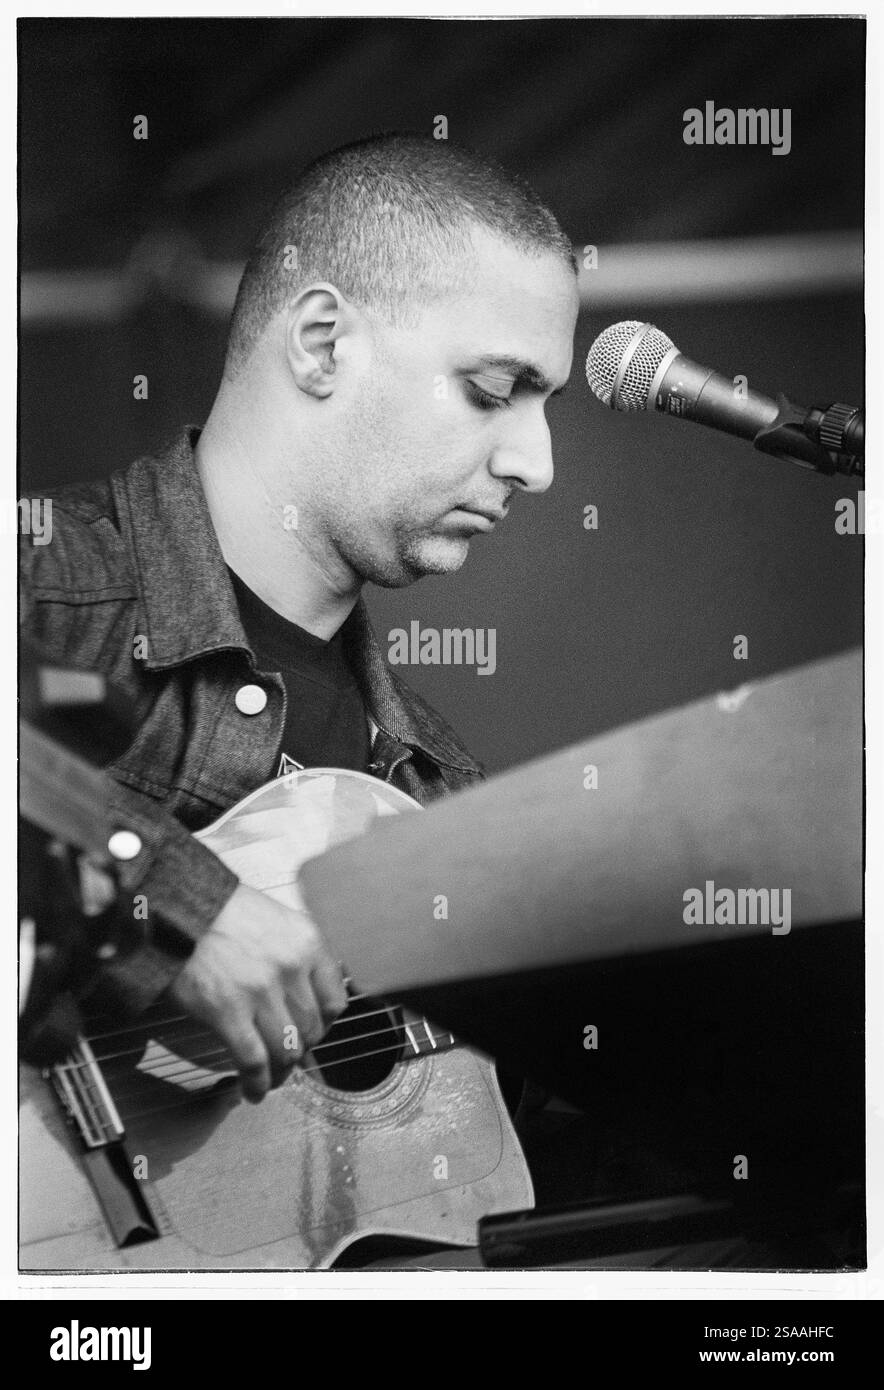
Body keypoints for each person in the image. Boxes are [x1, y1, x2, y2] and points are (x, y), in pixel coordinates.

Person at [20, 132, 579, 1103]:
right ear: (320, 346)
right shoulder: (42, 578)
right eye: (492, 391)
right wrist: (173, 900)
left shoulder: (431, 787)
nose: (536, 463)